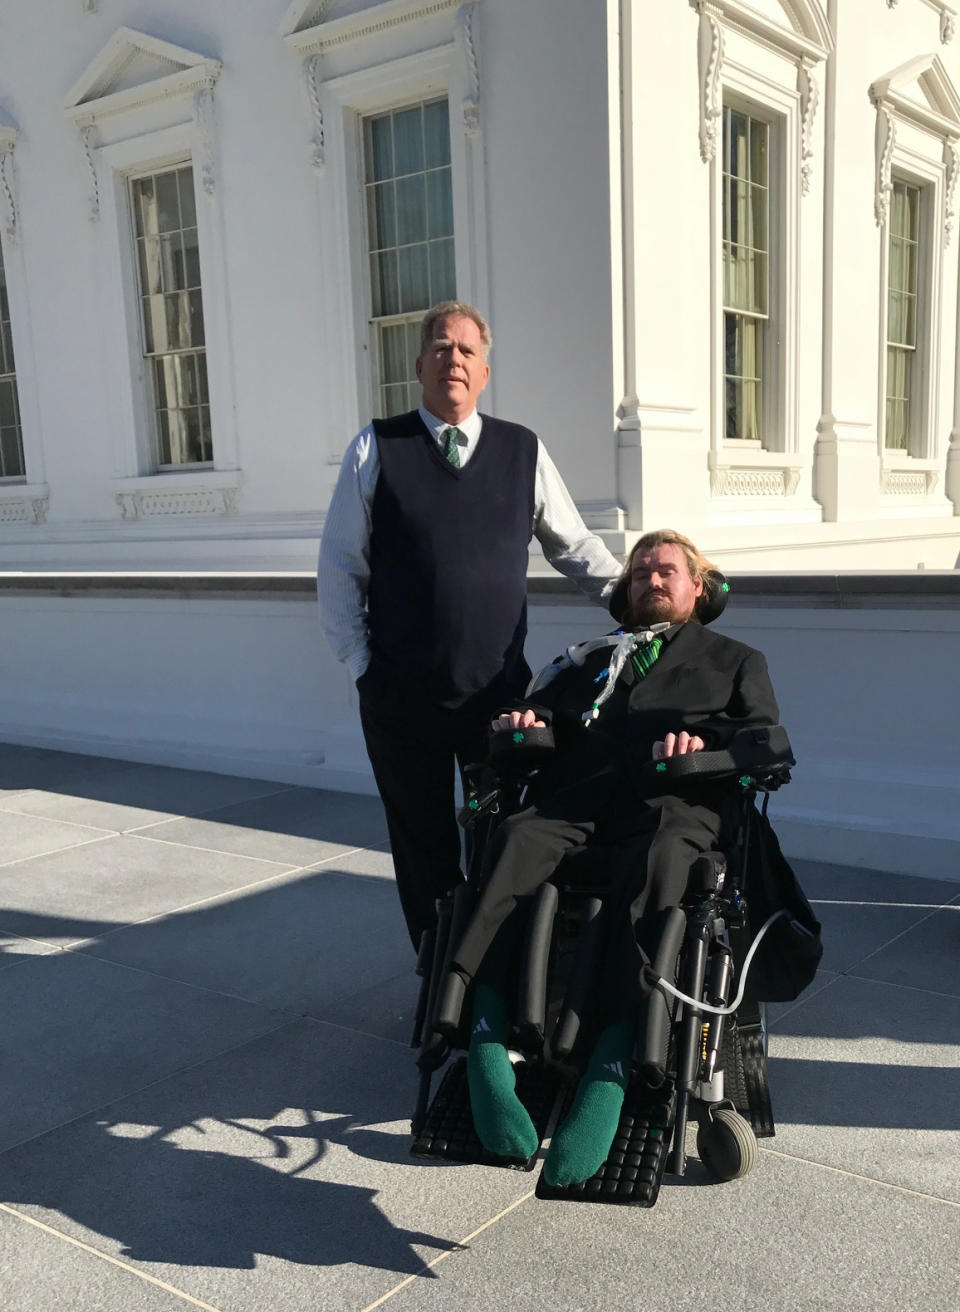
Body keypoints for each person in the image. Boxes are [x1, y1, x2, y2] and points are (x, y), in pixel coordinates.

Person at [451, 529, 780, 1187]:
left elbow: (768, 746)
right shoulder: (584, 658)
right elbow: (532, 717)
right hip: (573, 803)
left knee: (664, 860)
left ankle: (611, 1066)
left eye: (664, 572)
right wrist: (524, 728)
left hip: (670, 806)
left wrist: (704, 754)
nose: (649, 581)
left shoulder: (736, 659)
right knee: (510, 837)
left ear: (697, 587)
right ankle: (483, 1042)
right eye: (638, 575)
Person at [317, 300, 623, 949]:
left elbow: (574, 545)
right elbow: (340, 567)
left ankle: (491, 990)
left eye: (466, 350)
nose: (453, 359)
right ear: (419, 364)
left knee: (500, 845)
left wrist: (638, 601)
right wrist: (363, 668)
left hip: (499, 702)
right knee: (423, 854)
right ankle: (439, 995)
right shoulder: (377, 448)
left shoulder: (522, 451)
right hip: (401, 702)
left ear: (484, 371)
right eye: (441, 347)